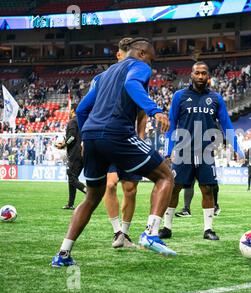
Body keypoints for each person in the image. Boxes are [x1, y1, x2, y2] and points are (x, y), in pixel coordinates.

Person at [51, 38, 176, 267]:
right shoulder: (138, 66)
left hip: (91, 136)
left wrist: (87, 135)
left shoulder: (103, 76)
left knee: (91, 197)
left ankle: (63, 254)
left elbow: (82, 109)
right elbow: (131, 85)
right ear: (140, 52)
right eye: (151, 59)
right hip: (117, 133)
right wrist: (155, 111)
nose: (151, 64)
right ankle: (150, 233)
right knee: (165, 176)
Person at [158, 61, 241, 240]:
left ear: (208, 76)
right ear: (192, 75)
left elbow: (226, 124)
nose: (201, 76)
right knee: (174, 189)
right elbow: (171, 125)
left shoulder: (216, 98)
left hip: (206, 151)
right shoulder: (179, 96)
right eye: (198, 73)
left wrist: (237, 147)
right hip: (182, 150)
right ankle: (166, 227)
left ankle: (208, 229)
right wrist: (168, 151)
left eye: (204, 73)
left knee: (207, 189)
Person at [98, 37, 148, 249]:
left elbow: (142, 112)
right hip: (108, 138)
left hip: (128, 139)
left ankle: (125, 234)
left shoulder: (135, 75)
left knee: (130, 188)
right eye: (122, 55)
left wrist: (141, 137)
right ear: (118, 55)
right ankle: (116, 230)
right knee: (109, 184)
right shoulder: (104, 78)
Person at [56, 104, 86, 210]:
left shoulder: (73, 121)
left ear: (73, 110)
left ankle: (87, 190)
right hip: (85, 153)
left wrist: (63, 145)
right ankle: (70, 203)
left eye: (70, 110)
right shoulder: (84, 120)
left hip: (75, 154)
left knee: (71, 177)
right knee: (72, 178)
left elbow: (71, 137)